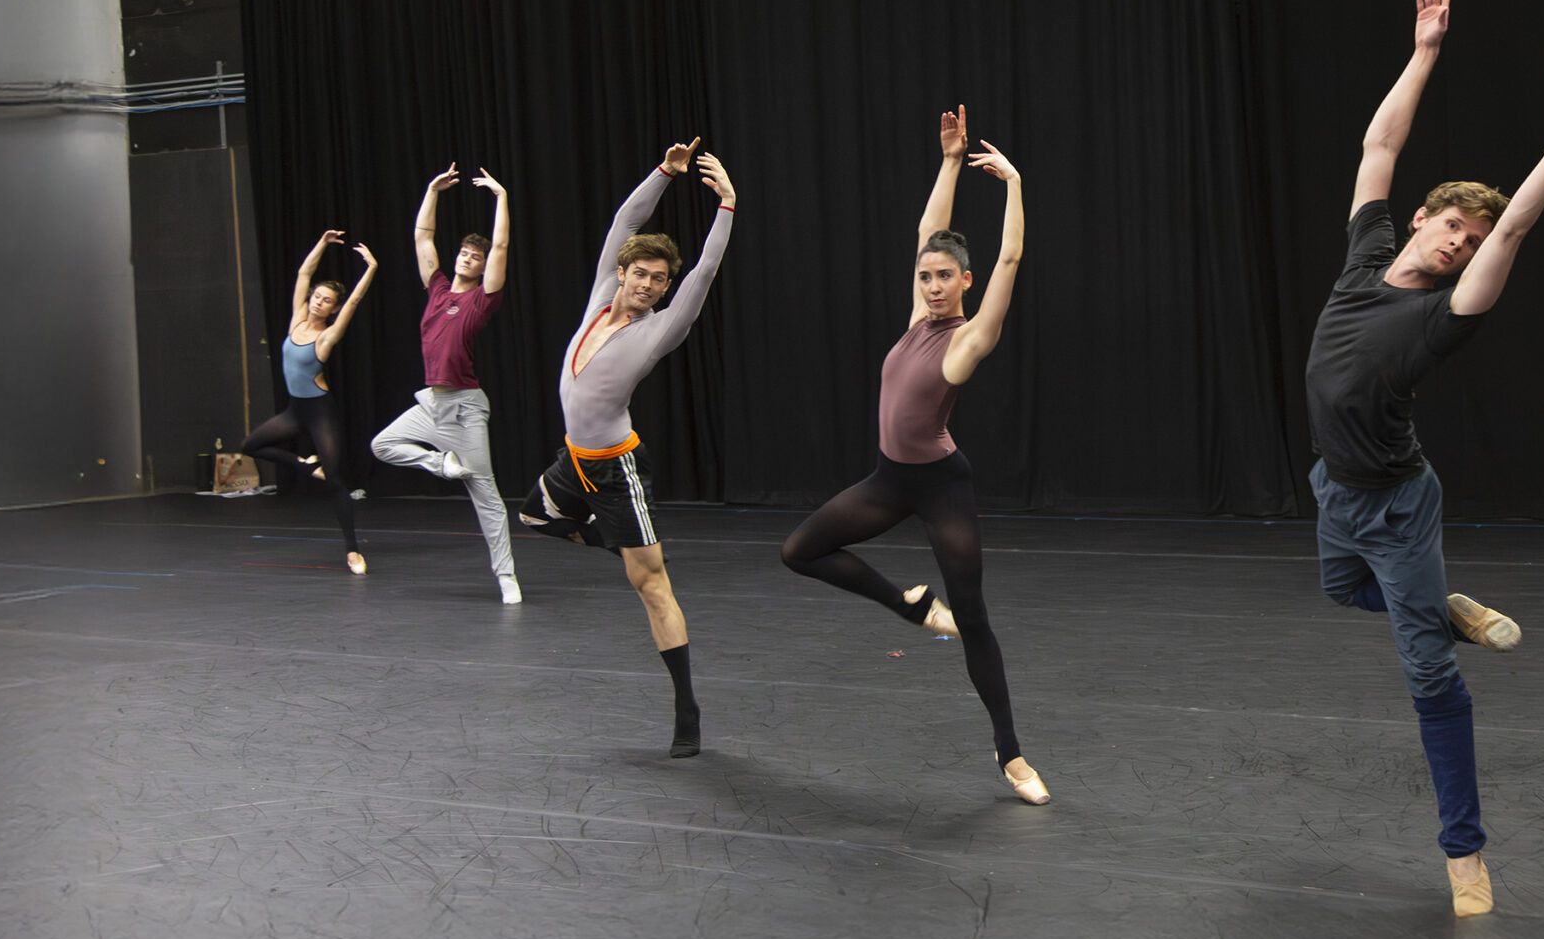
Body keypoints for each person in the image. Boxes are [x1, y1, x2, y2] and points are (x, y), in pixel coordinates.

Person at [1304, 0, 1544, 916]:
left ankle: (1463, 851)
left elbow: (1519, 223)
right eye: (1451, 228)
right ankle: (1449, 606)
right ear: (1423, 216)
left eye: (1470, 242)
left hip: (1397, 499)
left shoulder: (1447, 316)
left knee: (1426, 671)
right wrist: (1425, 52)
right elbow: (1380, 143)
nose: (1459, 245)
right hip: (1335, 488)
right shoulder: (1364, 257)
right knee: (1342, 591)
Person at [780, 107, 1047, 805]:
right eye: (924, 275)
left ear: (965, 281)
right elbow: (929, 230)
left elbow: (1011, 257)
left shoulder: (967, 339)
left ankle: (1011, 754)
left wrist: (1013, 183)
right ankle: (907, 604)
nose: (930, 285)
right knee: (798, 550)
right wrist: (951, 161)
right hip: (888, 480)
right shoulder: (916, 318)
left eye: (943, 277)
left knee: (975, 619)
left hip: (940, 488)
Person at [520, 139, 735, 758]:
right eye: (640, 273)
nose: (648, 284)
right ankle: (613, 539)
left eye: (658, 280)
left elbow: (705, 273)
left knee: (652, 584)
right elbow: (626, 223)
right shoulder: (596, 302)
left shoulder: (659, 329)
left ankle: (686, 710)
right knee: (534, 516)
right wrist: (664, 173)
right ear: (623, 273)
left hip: (615, 472)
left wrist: (724, 208)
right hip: (572, 464)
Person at [371, 163, 522, 602]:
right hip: (431, 406)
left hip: (465, 406)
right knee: (382, 445)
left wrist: (501, 197)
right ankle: (440, 466)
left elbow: (502, 245)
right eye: (465, 253)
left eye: (475, 257)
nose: (468, 258)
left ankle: (506, 576)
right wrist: (432, 191)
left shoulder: (481, 300)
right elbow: (422, 236)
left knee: (486, 494)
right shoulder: (437, 288)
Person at [237, 230, 379, 574]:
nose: (317, 301)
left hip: (319, 413)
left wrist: (370, 268)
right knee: (250, 444)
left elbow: (355, 303)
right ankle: (303, 465)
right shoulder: (296, 320)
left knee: (333, 480)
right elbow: (303, 273)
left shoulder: (326, 336)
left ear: (332, 309)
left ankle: (352, 551)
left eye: (326, 300)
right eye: (317, 296)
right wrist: (322, 242)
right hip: (294, 410)